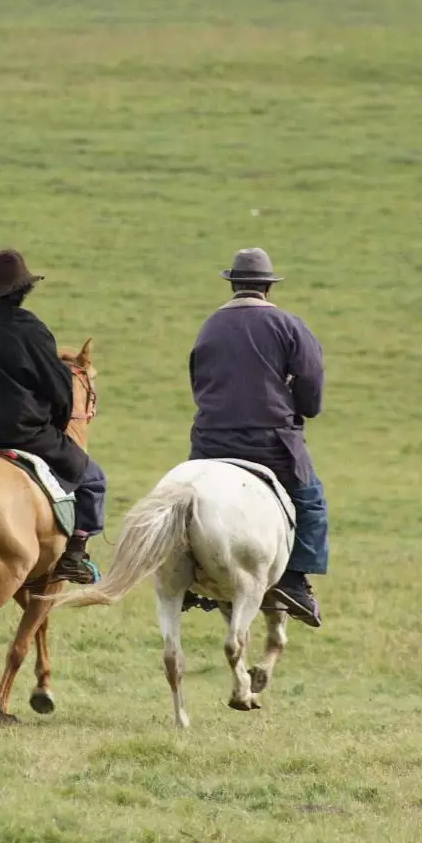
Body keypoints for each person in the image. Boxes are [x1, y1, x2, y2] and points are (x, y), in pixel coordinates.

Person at [0, 249, 105, 585]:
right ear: (23, 290)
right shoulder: (31, 331)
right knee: (93, 480)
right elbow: (58, 387)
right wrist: (54, 420)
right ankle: (73, 556)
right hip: (27, 435)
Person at [186, 247, 329, 627]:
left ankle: (186, 574)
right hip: (270, 442)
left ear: (232, 284)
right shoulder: (289, 325)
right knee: (311, 501)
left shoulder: (210, 325)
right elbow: (311, 385)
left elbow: (197, 380)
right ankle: (294, 582)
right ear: (268, 286)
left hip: (210, 441)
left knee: (186, 500)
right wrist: (302, 407)